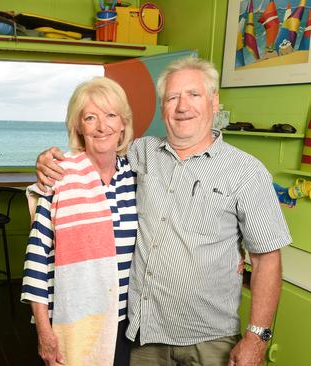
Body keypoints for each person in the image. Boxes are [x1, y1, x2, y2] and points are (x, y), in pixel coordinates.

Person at [34, 56, 292, 366]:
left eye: (193, 95)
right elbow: (98, 154)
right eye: (172, 97)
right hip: (145, 338)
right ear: (163, 107)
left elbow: (267, 259)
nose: (183, 106)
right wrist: (48, 161)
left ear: (214, 101)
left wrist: (257, 336)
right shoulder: (141, 154)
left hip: (209, 340)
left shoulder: (246, 172)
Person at [21, 76, 138, 366]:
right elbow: (37, 260)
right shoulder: (60, 176)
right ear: (78, 126)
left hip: (129, 322)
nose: (102, 126)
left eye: (111, 115)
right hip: (74, 320)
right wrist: (44, 331)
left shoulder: (137, 176)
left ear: (123, 123)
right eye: (90, 117)